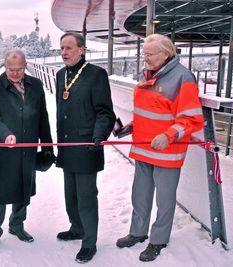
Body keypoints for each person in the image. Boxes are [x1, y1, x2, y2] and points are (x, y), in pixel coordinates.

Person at [115, 34, 204, 262]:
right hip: (144, 147)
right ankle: (137, 232)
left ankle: (158, 240)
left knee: (164, 200)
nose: (145, 58)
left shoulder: (183, 77)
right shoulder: (147, 74)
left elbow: (191, 119)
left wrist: (168, 135)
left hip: (167, 150)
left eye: (149, 54)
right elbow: (153, 111)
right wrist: (132, 126)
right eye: (143, 54)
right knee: (140, 195)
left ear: (165, 54)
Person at [0, 48, 54, 255]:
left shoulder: (36, 85)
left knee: (23, 188)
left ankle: (17, 225)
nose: (15, 73)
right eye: (10, 69)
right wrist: (5, 134)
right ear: (4, 66)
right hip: (4, 149)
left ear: (26, 66)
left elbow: (43, 116)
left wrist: (47, 146)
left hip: (27, 147)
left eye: (19, 69)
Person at [55, 32, 116, 263]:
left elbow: (105, 112)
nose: (64, 52)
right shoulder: (61, 75)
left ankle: (89, 242)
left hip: (87, 145)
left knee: (86, 197)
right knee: (70, 194)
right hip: (67, 145)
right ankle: (77, 227)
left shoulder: (96, 75)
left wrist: (98, 136)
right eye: (62, 48)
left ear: (81, 50)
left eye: (69, 48)